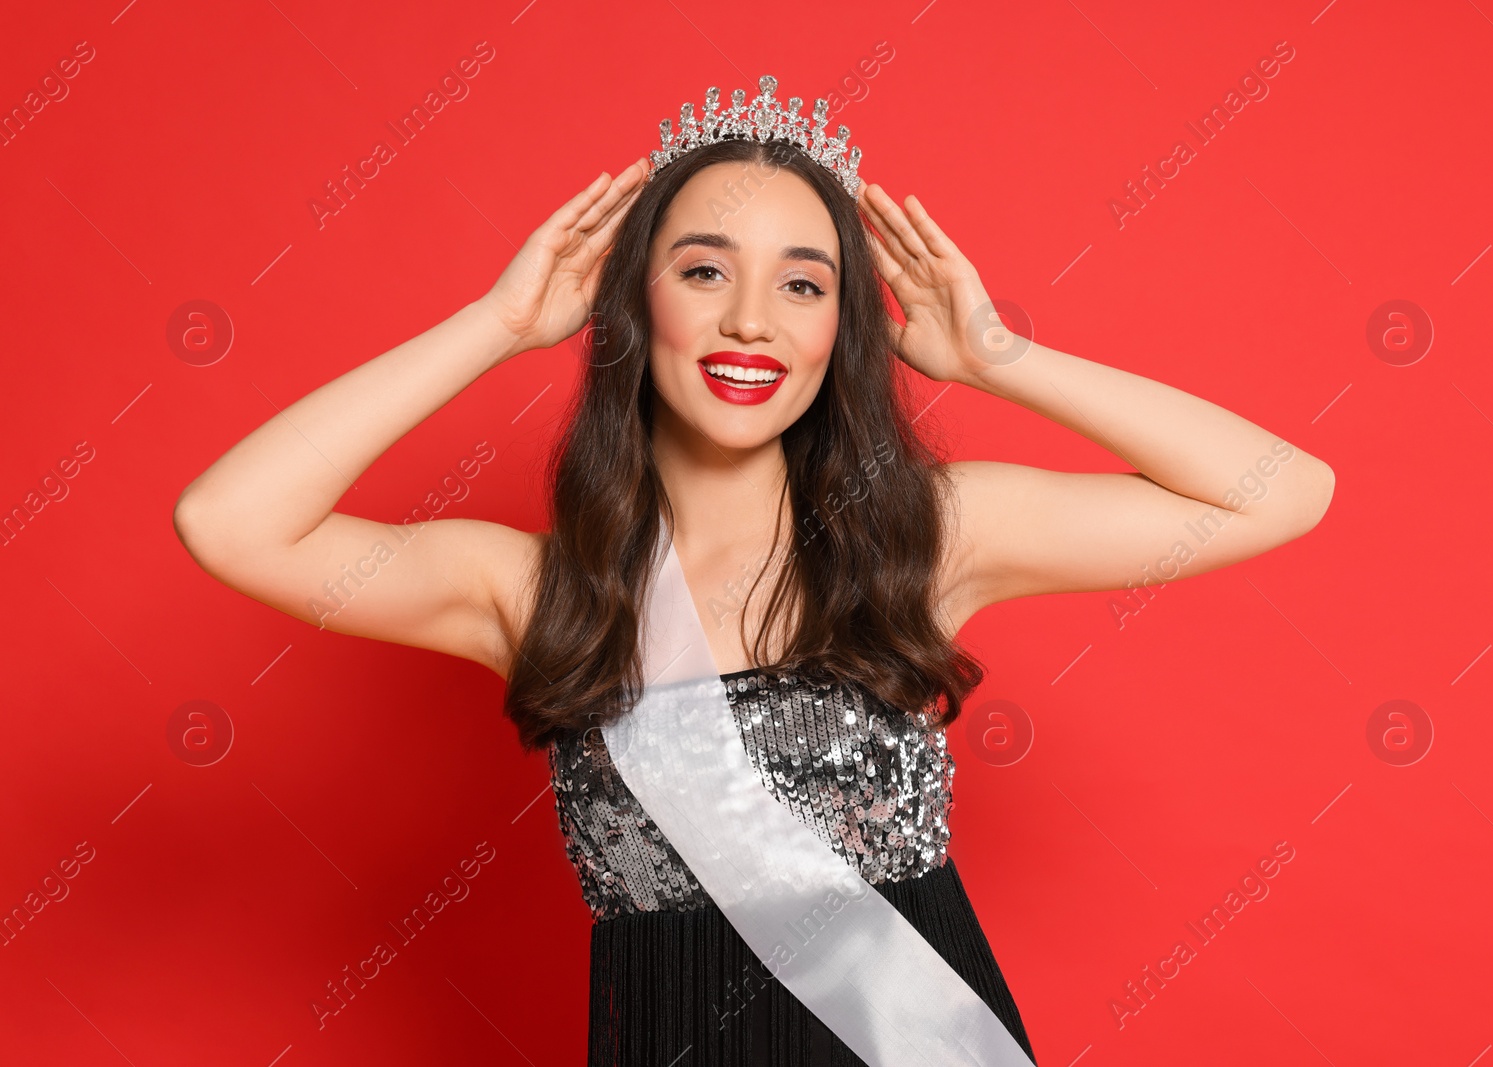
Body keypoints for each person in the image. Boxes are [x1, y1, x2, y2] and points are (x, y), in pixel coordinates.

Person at [173, 77, 1334, 1065]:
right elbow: (230, 522)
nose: (750, 323)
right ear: (634, 301)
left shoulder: (922, 537)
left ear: (842, 327)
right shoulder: (537, 594)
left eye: (802, 283)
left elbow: (1281, 487)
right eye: (701, 271)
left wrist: (1000, 357)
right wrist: (496, 322)